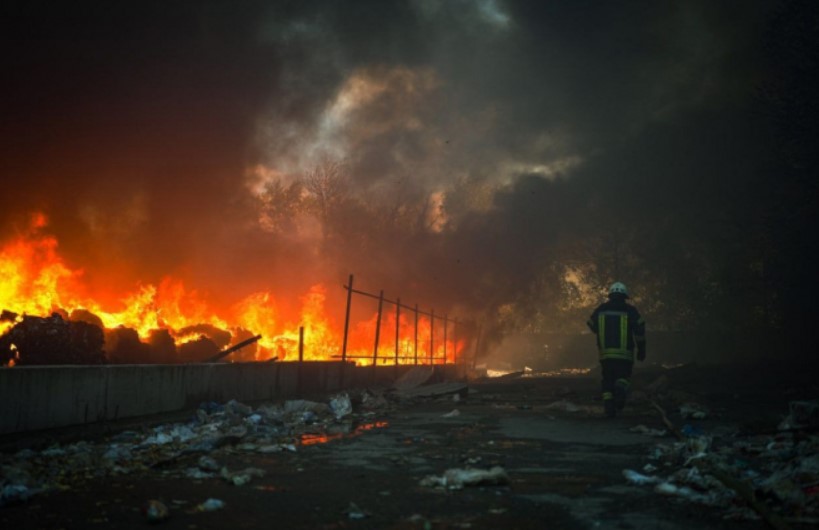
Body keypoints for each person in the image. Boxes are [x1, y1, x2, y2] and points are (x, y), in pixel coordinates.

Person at [587, 282, 646, 418]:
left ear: (610, 295)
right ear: (625, 296)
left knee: (607, 379)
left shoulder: (601, 309)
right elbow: (640, 329)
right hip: (625, 354)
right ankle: (620, 389)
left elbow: (590, 324)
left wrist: (601, 330)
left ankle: (609, 408)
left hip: (606, 354)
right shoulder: (630, 310)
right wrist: (642, 349)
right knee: (623, 377)